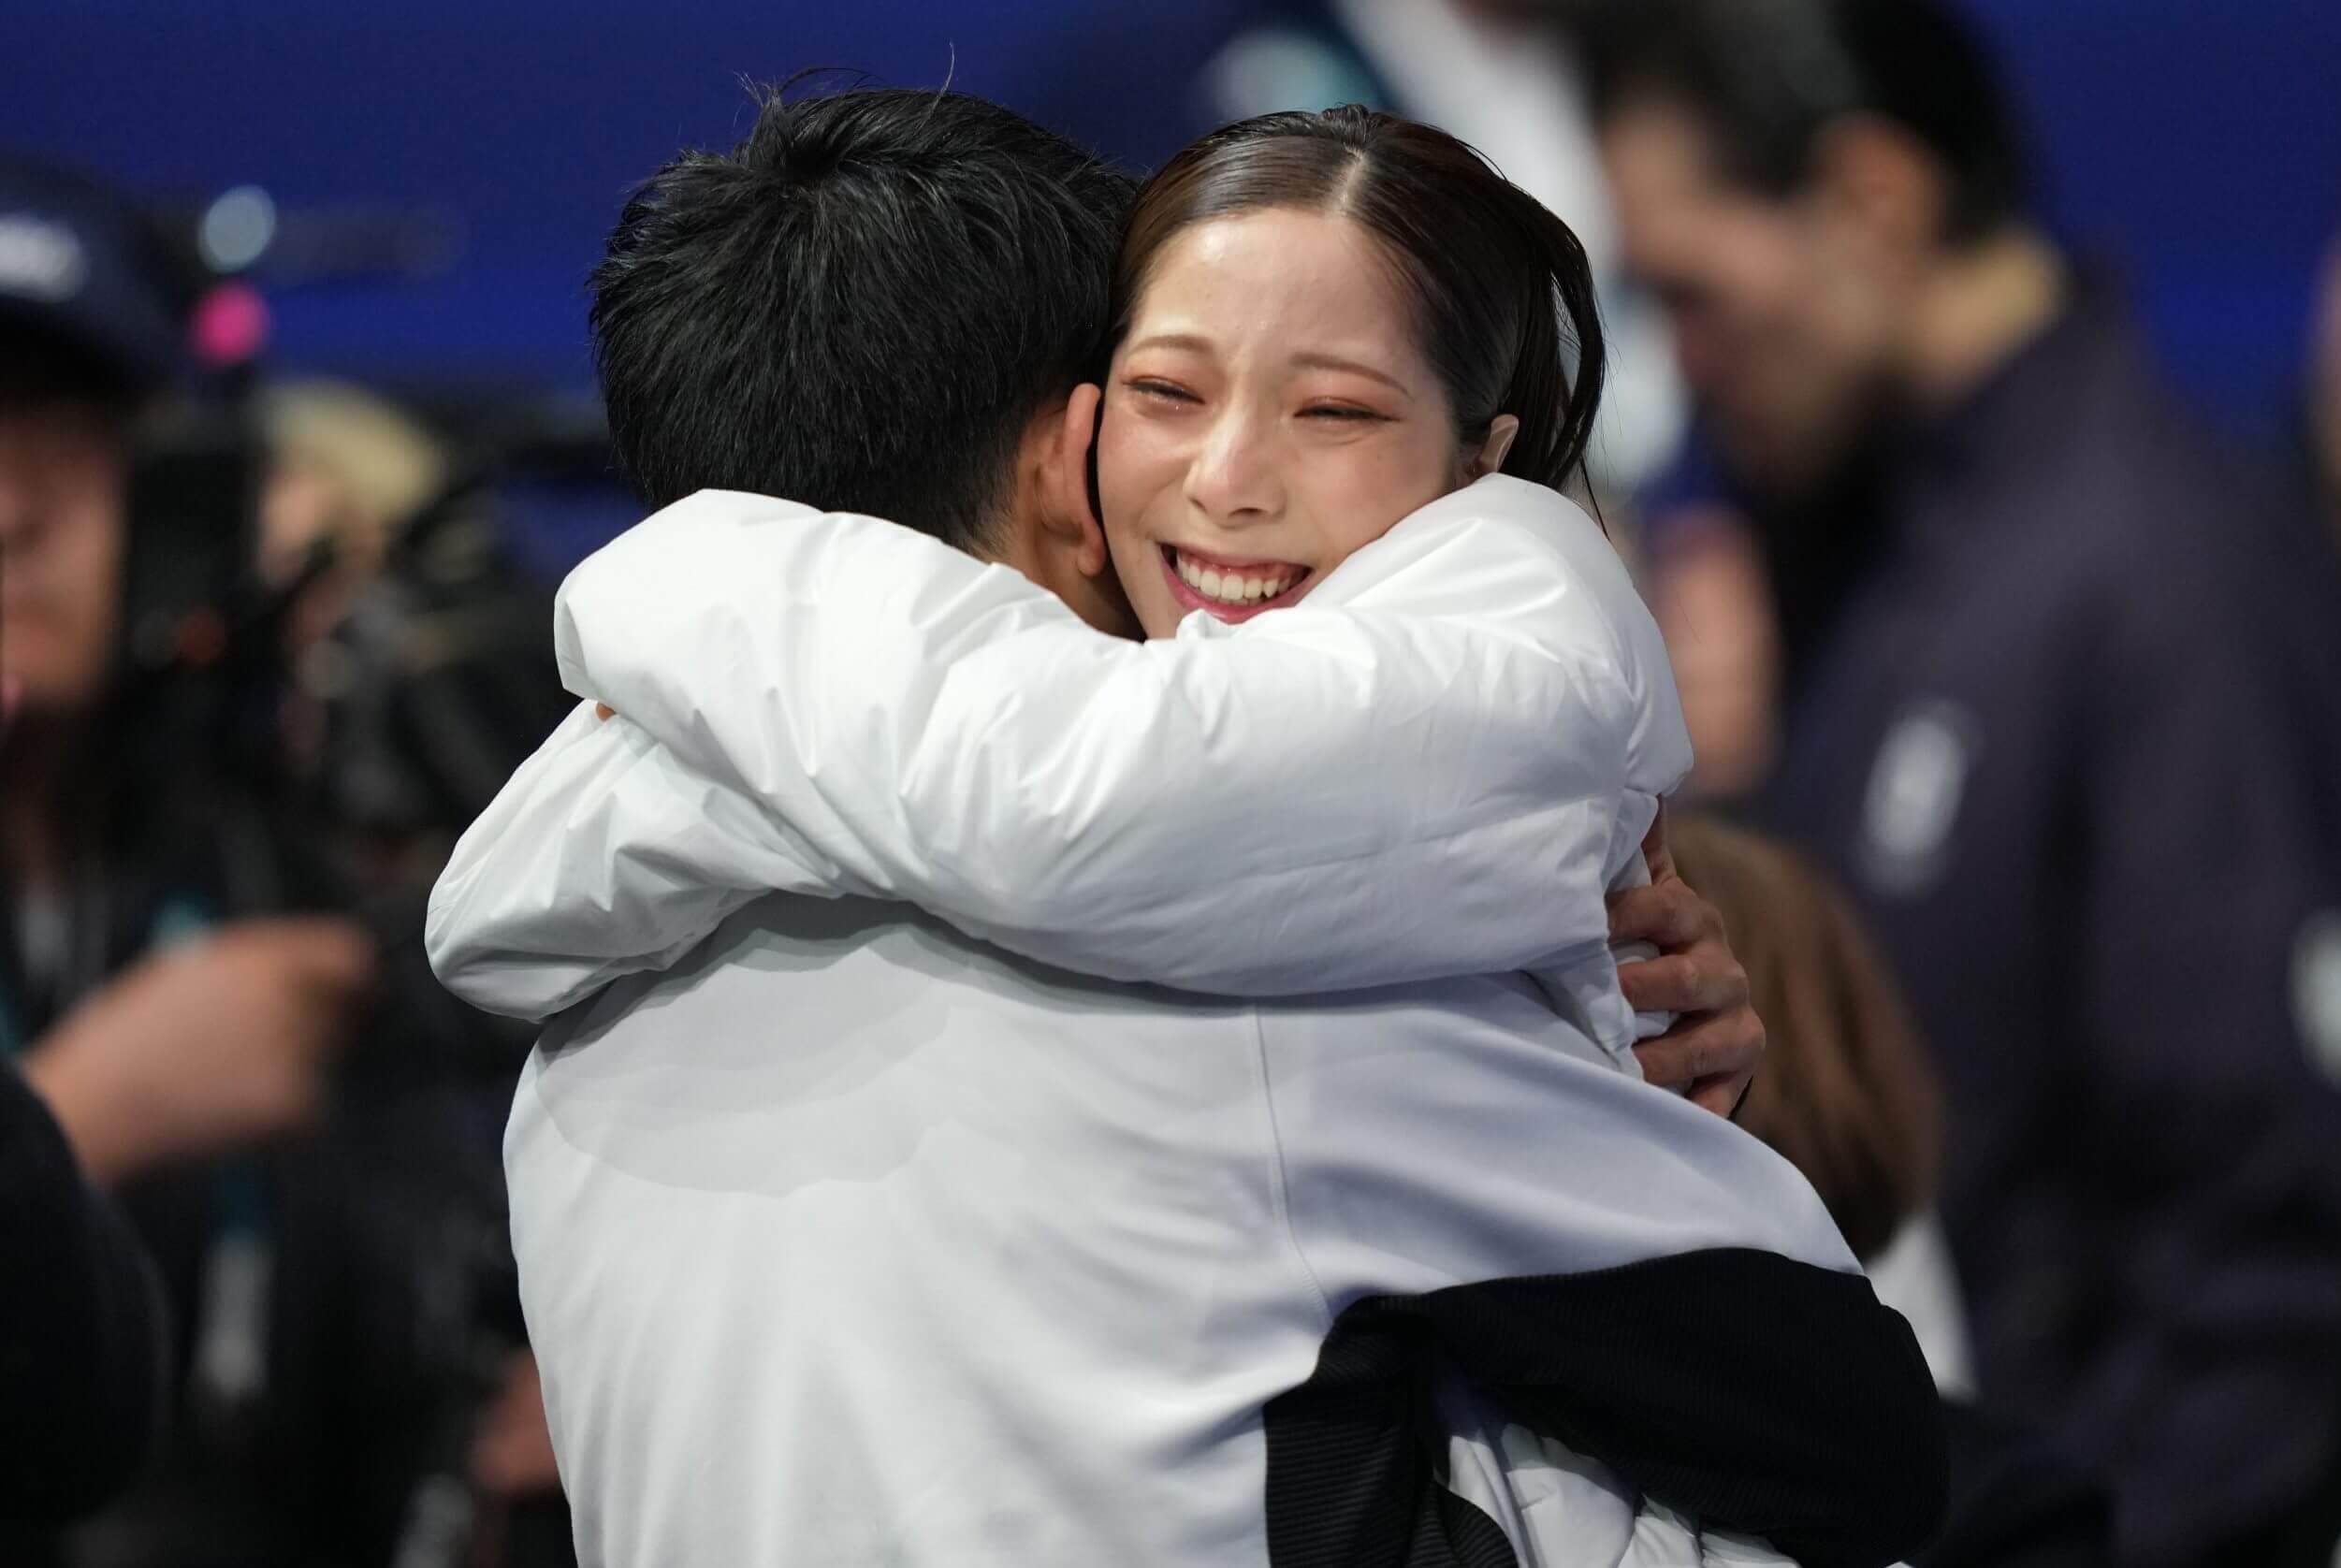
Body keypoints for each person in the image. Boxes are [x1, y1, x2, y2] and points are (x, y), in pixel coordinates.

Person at [429, 88, 1943, 1567]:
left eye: (1331, 409)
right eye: (1161, 391)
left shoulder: (567, 1057)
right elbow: (1858, 1442)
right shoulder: (1256, 995)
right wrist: (1633, 1083)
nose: (1227, 480)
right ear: (1061, 459)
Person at [1577, 2, 2341, 1560]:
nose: (1681, 366)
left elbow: (2268, 1257)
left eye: (1694, 293)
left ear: (1871, 199)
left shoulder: (2157, 570)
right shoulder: (1855, 556)